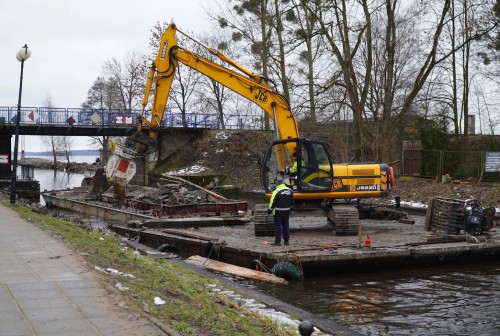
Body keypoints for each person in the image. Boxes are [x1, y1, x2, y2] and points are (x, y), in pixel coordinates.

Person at [268, 177, 294, 246]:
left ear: (277, 183)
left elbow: (273, 202)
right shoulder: (289, 190)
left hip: (278, 212)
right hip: (286, 211)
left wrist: (269, 210)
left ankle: (278, 242)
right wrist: (291, 209)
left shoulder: (276, 191)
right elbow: (292, 201)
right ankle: (286, 241)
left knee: (278, 227)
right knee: (286, 226)